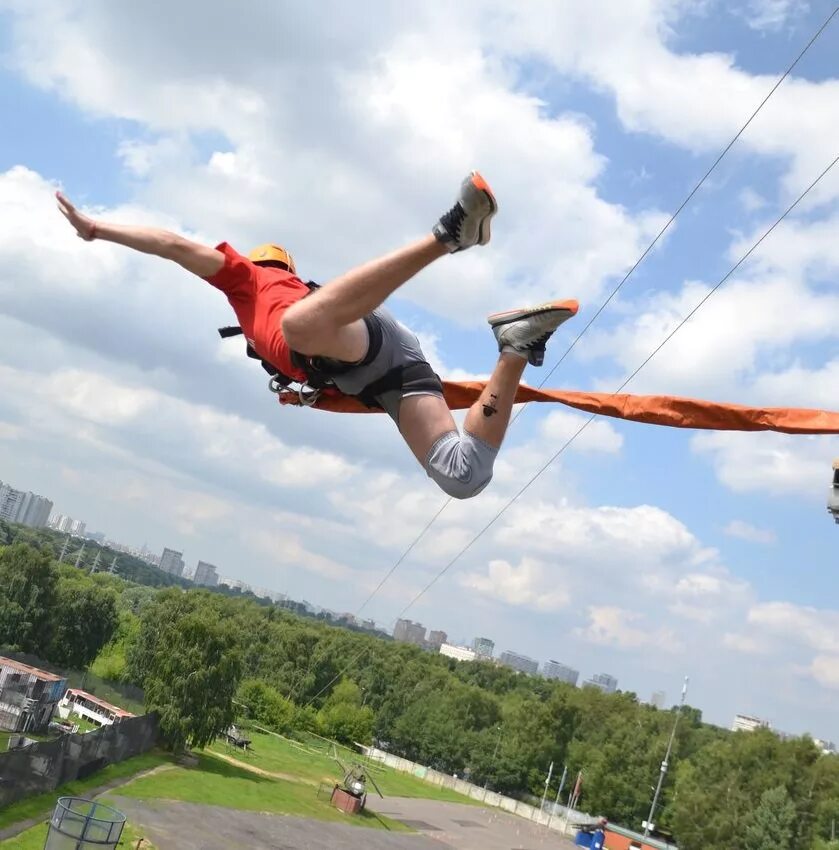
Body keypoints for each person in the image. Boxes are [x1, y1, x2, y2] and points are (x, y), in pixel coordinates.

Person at [56, 173, 577, 499]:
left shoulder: (247, 278)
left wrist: (97, 229)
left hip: (357, 340)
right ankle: (515, 345)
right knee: (462, 477)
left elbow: (172, 244)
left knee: (299, 326)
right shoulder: (268, 326)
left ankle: (448, 234)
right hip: (388, 373)